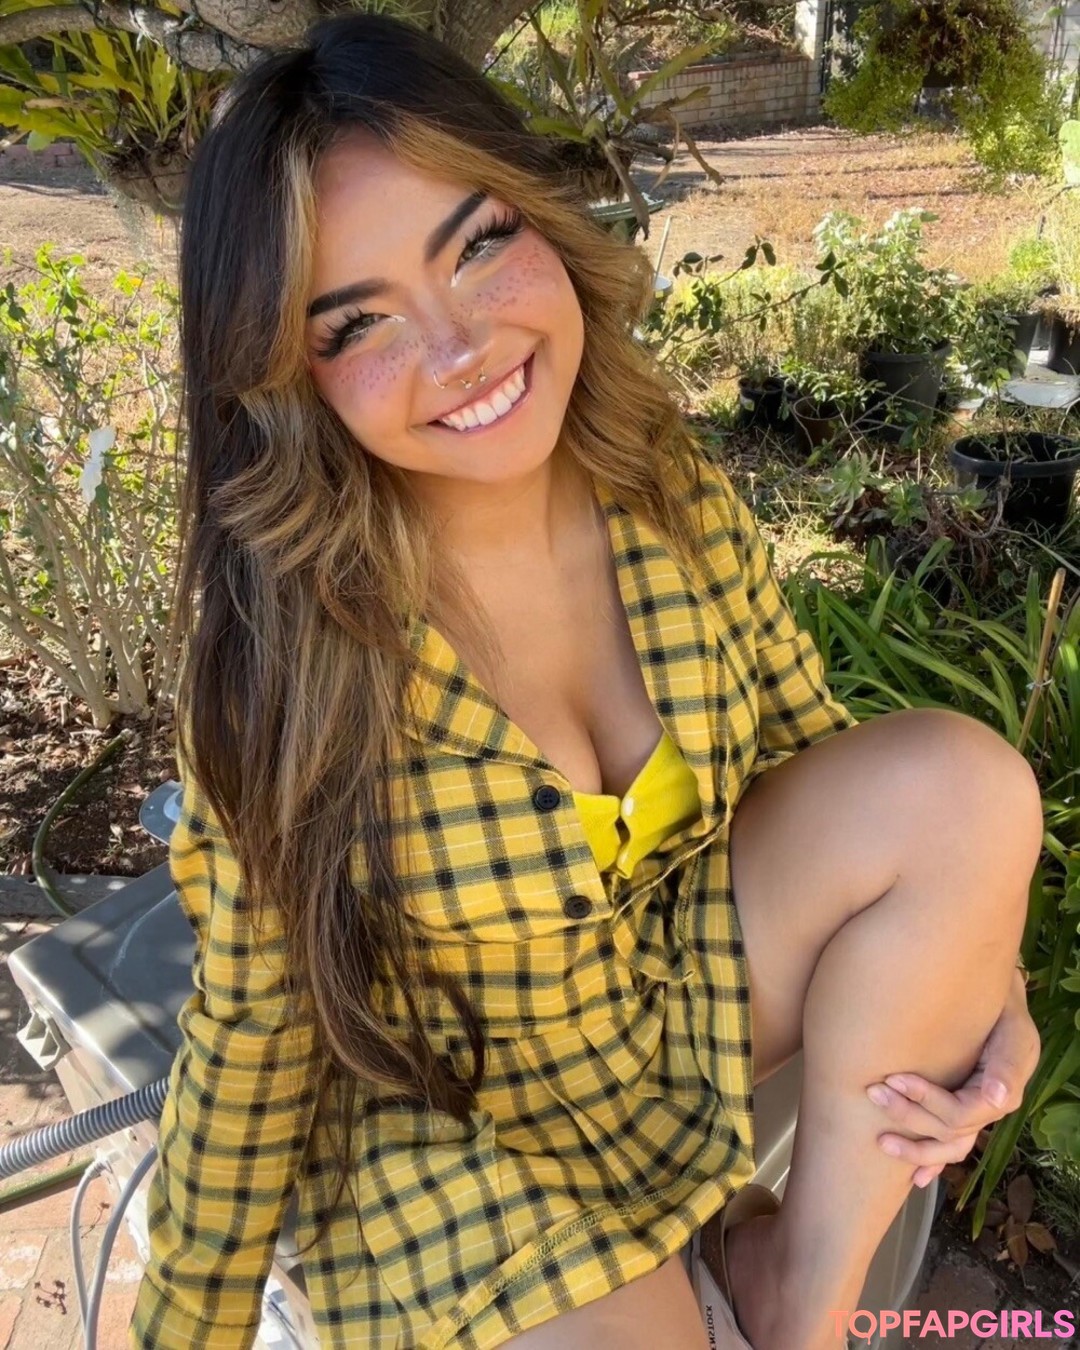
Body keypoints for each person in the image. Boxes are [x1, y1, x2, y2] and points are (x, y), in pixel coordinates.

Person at [129, 13, 1043, 1350]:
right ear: (285, 374)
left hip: (672, 1023)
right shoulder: (283, 664)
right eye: (358, 322)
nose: (459, 347)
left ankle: (799, 1301)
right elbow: (250, 1041)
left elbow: (833, 771)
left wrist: (994, 982)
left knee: (964, 788)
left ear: (544, 217)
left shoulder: (658, 484)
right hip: (449, 1138)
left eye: (478, 243)